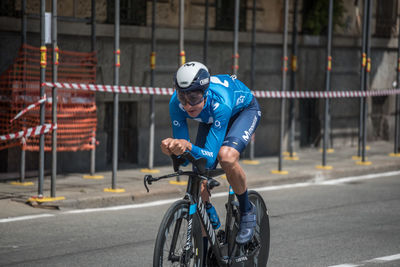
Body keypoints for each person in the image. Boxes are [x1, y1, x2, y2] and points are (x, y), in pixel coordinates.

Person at [160, 61, 261, 245]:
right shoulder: (175, 104)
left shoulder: (220, 102)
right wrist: (172, 150)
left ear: (205, 92)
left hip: (242, 111)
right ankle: (206, 243)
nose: (189, 105)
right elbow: (185, 160)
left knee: (226, 157)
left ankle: (247, 210)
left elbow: (209, 158)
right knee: (198, 178)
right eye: (183, 97)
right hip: (211, 118)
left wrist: (187, 146)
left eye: (195, 97)